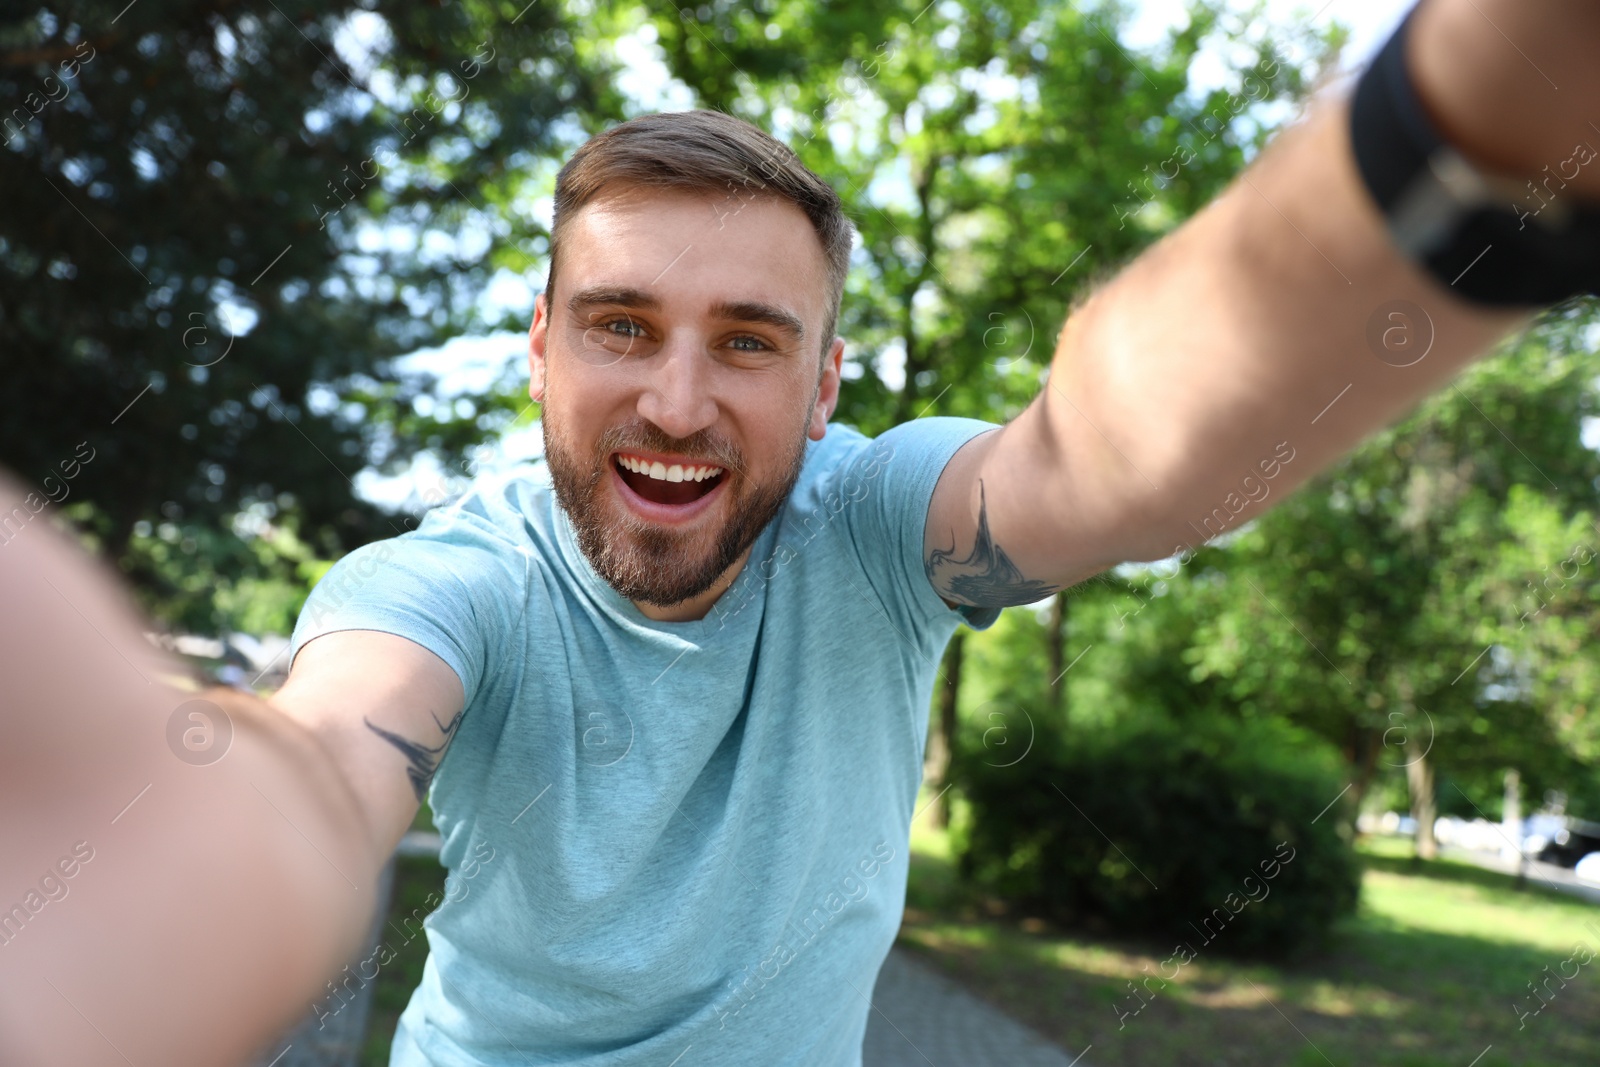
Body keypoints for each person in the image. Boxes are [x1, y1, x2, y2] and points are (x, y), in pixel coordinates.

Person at [2, 0, 1597, 1063]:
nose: (680, 404)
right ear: (539, 353)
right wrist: (137, 841)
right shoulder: (452, 578)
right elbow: (329, 756)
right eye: (621, 327)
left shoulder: (878, 534)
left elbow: (1111, 462)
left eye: (749, 342)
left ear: (828, 385)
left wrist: (1462, 132)